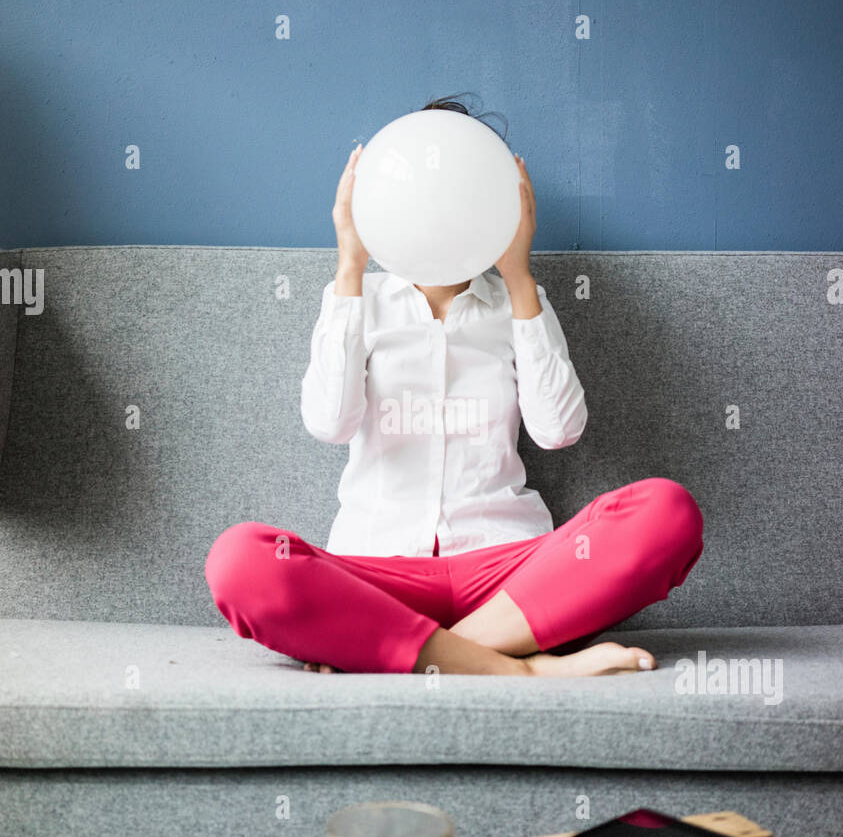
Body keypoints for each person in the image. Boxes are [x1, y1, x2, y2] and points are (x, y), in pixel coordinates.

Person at [205, 97, 703, 677]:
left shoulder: (520, 304)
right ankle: (520, 668)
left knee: (667, 512)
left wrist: (519, 277)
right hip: (376, 572)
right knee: (240, 560)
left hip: (509, 575)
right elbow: (328, 422)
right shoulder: (356, 301)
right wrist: (349, 266)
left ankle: (408, 651)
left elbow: (559, 431)